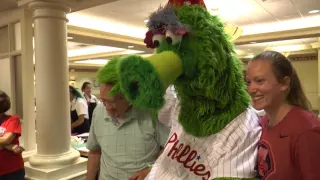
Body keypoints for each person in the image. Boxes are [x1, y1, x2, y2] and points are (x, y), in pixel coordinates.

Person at [86, 59, 170, 180]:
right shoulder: (98, 111)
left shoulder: (153, 113)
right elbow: (94, 152)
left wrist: (151, 170)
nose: (107, 108)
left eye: (111, 102)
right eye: (103, 100)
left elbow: (168, 151)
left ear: (131, 97)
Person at [245, 51, 320, 180]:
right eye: (249, 82)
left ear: (284, 84)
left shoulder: (306, 130)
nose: (251, 89)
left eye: (260, 81)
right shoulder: (261, 124)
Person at [0, 90, 25, 180]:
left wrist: (6, 144)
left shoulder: (12, 119)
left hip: (12, 170)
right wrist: (8, 146)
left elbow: (6, 139)